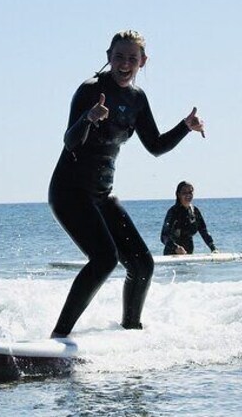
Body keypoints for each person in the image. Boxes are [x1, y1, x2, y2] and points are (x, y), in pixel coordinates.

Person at [48, 30, 205, 338]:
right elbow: (70, 141)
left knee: (142, 264)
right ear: (108, 57)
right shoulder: (90, 90)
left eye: (132, 58)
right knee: (104, 259)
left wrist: (185, 127)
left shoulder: (137, 99)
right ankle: (59, 336)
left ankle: (130, 331)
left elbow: (156, 145)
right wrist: (89, 118)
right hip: (69, 191)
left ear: (142, 62)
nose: (124, 64)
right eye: (119, 56)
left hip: (101, 194)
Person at [160, 181, 217, 255]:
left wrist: (213, 248)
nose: (188, 195)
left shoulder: (195, 211)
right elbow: (164, 236)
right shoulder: (173, 212)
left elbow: (204, 231)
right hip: (172, 254)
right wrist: (175, 247)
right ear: (178, 194)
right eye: (184, 193)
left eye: (190, 192)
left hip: (189, 255)